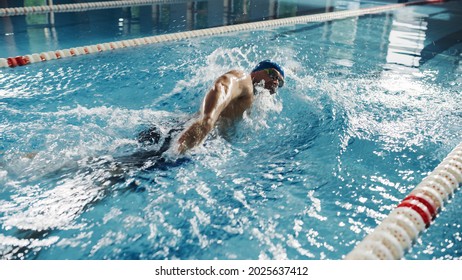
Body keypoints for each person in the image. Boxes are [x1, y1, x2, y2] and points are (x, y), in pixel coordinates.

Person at [175, 60, 285, 154]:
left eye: (280, 82)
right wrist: (207, 120)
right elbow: (223, 84)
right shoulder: (245, 80)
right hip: (185, 133)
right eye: (272, 74)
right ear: (255, 72)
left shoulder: (253, 102)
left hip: (204, 142)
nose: (275, 82)